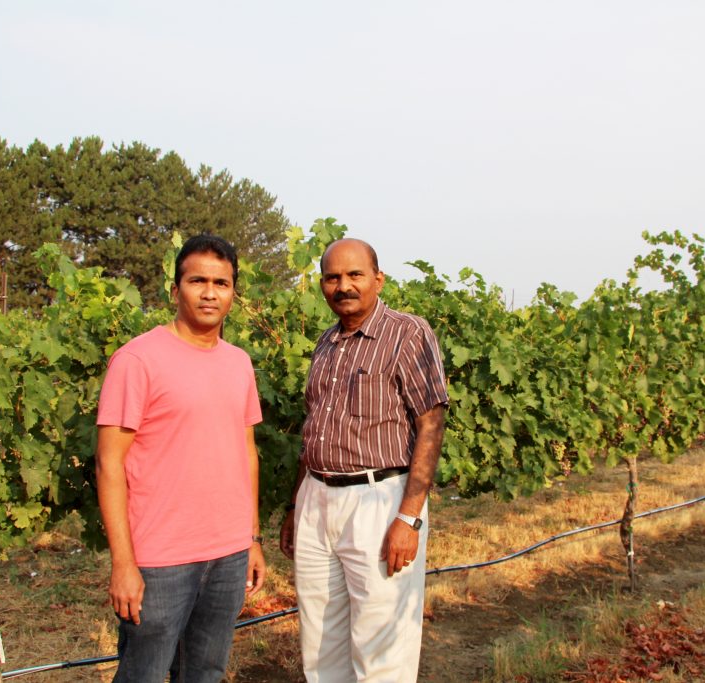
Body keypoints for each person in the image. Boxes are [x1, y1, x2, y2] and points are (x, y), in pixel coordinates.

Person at [95, 234, 265, 683]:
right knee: (144, 675)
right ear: (175, 290)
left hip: (228, 554)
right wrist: (123, 563)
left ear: (233, 294)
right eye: (197, 281)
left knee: (205, 673)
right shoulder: (137, 360)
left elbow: (246, 453)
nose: (210, 293)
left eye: (221, 283)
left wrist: (251, 538)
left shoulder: (239, 363)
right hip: (160, 559)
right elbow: (109, 465)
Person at [279, 237, 448, 682]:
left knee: (381, 649)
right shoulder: (326, 343)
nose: (344, 286)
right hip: (317, 498)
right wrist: (296, 505)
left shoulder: (408, 333)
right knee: (320, 645)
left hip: (379, 500)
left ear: (378, 279)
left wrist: (409, 517)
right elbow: (315, 428)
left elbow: (431, 423)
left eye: (355, 275)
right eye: (332, 277)